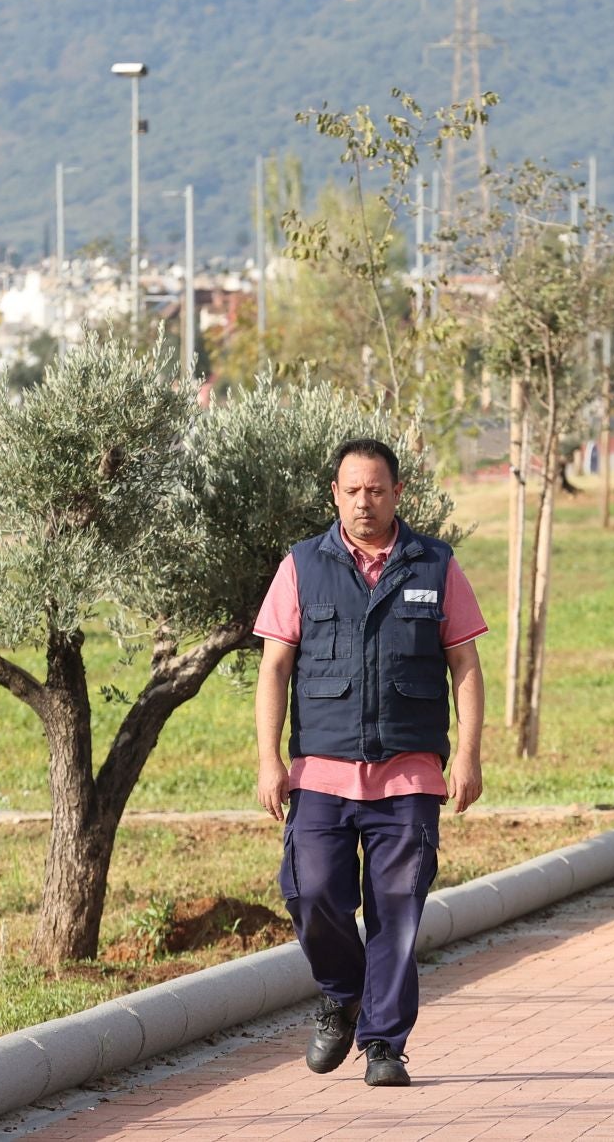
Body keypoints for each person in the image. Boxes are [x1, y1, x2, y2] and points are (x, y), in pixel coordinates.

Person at [254, 438, 486, 1088]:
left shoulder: (434, 565)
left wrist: (467, 754)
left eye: (377, 490)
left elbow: (465, 664)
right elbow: (274, 666)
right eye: (352, 490)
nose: (364, 502)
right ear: (335, 494)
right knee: (311, 891)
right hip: (320, 774)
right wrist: (268, 758)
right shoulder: (302, 566)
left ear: (397, 494)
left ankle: (385, 1045)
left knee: (397, 910)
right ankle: (341, 991)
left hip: (410, 775)